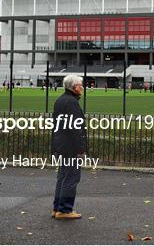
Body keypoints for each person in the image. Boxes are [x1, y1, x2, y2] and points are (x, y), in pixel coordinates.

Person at [51, 75, 87, 220]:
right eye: (80, 85)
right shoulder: (71, 103)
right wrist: (81, 148)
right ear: (74, 87)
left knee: (63, 177)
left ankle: (57, 208)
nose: (82, 88)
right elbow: (75, 129)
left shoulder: (60, 100)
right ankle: (64, 210)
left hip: (61, 145)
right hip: (70, 146)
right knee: (71, 178)